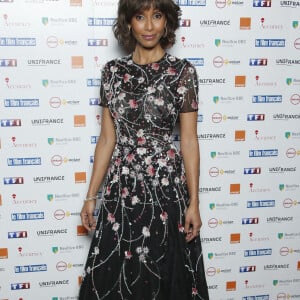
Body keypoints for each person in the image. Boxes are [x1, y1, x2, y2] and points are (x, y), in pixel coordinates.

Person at [79, 0, 209, 299]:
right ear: (128, 22)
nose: (149, 26)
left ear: (167, 22)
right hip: (121, 192)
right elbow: (107, 140)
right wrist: (90, 197)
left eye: (157, 16)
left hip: (166, 190)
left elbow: (188, 140)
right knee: (117, 276)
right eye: (140, 17)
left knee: (165, 272)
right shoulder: (112, 72)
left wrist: (194, 202)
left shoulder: (182, 73)